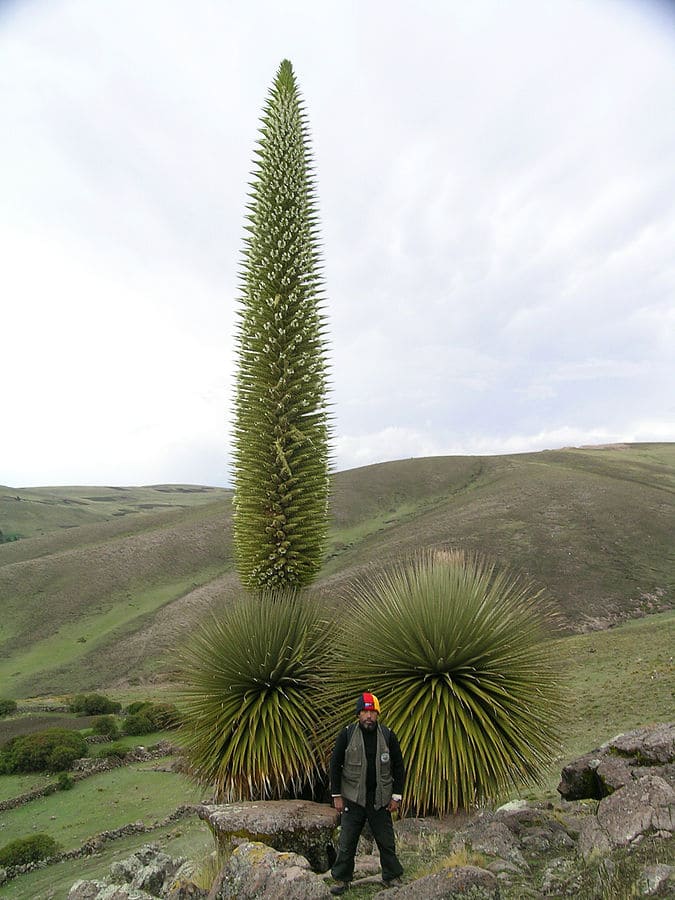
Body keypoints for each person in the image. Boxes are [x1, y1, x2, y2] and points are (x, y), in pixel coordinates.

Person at [329, 692, 405, 894]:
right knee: (347, 842)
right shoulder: (346, 734)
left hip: (380, 799)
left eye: (372, 711)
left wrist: (396, 796)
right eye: (364, 711)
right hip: (353, 798)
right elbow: (335, 765)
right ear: (358, 714)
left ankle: (392, 876)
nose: (369, 716)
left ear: (378, 714)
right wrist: (336, 795)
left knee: (386, 841)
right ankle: (341, 880)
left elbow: (398, 767)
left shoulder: (388, 735)